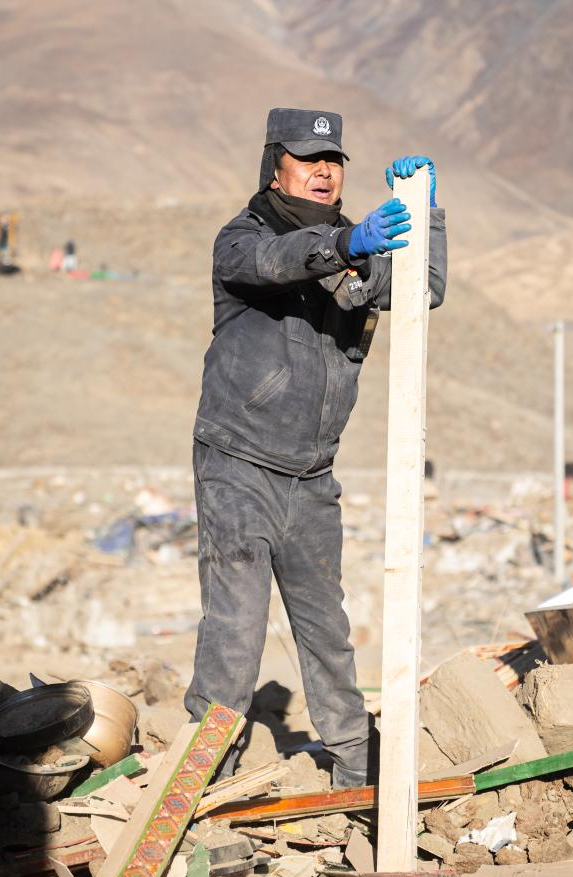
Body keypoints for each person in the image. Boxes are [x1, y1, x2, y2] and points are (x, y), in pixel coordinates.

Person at [185, 107, 447, 787]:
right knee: (235, 631)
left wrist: (427, 215)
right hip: (238, 464)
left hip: (311, 477)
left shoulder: (358, 252)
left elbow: (422, 289)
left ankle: (358, 777)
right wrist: (346, 243)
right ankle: (203, 782)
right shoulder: (243, 238)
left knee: (327, 630)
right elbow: (278, 261)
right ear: (276, 167)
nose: (324, 171)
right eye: (308, 159)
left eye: (333, 160)